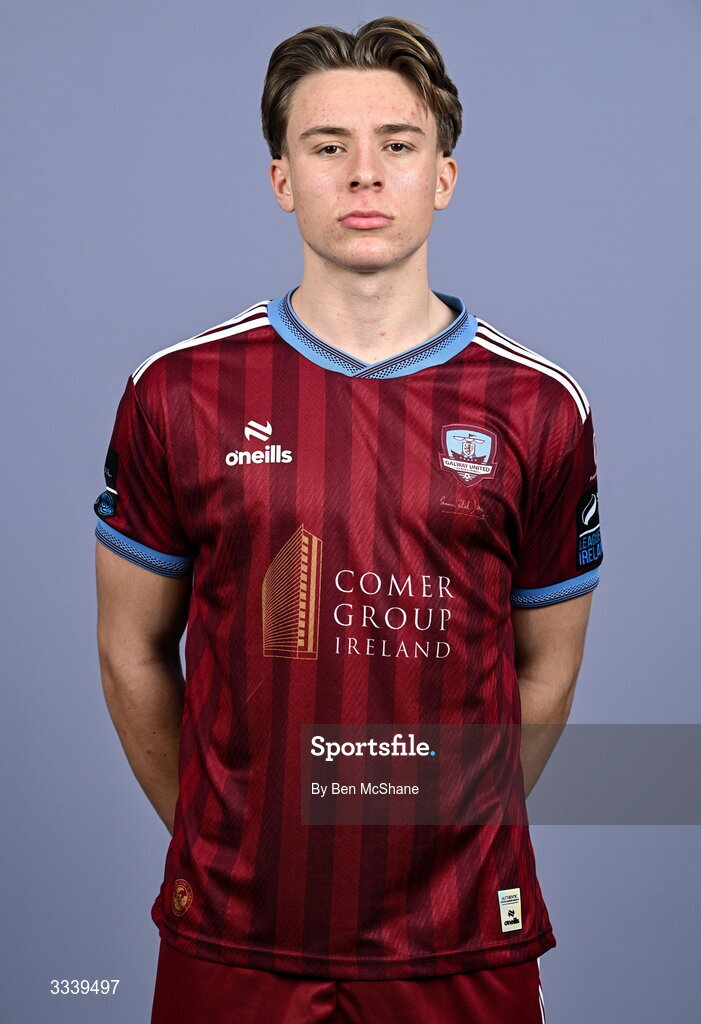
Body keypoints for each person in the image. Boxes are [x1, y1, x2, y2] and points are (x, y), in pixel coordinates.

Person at [93, 15, 603, 1024]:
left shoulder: (539, 408)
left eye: (396, 146)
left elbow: (545, 666)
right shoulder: (177, 392)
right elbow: (131, 652)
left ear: (442, 177)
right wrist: (224, 833)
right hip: (234, 935)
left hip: (458, 937)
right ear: (282, 177)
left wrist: (450, 827)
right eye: (327, 147)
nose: (362, 175)